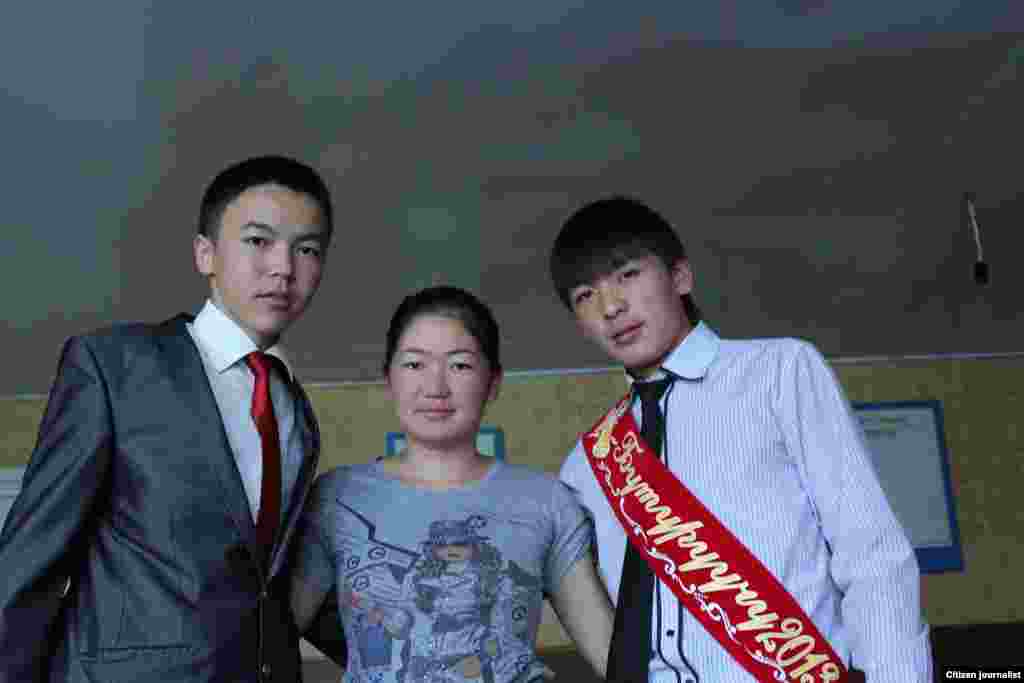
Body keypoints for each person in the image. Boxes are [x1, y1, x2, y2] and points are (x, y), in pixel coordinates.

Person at [550, 196, 933, 683]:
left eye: (627, 275)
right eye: (586, 295)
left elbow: (871, 553)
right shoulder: (586, 464)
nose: (611, 307)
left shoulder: (780, 372)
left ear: (680, 277)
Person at [0, 155, 347, 682]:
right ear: (205, 254)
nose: (283, 267)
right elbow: (30, 561)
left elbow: (270, 582)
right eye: (258, 241)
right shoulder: (114, 366)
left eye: (307, 249)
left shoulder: (293, 406)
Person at [291, 286, 614, 683]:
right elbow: (271, 643)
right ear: (388, 379)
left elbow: (610, 654)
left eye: (460, 365)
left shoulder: (546, 500)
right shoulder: (336, 497)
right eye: (415, 364)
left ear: (493, 382)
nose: (436, 387)